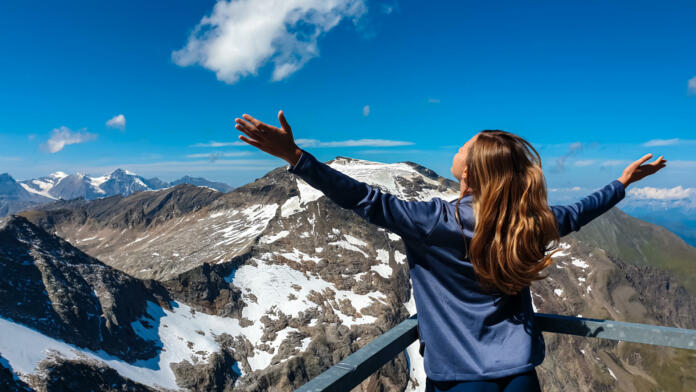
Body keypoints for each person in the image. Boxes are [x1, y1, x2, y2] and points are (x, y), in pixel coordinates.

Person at [234, 111, 667, 392]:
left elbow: (364, 199)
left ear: (472, 170)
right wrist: (621, 184)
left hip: (459, 377)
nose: (458, 147)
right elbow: (577, 213)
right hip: (519, 375)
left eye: (466, 146)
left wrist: (294, 156)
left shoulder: (434, 221)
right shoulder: (526, 223)